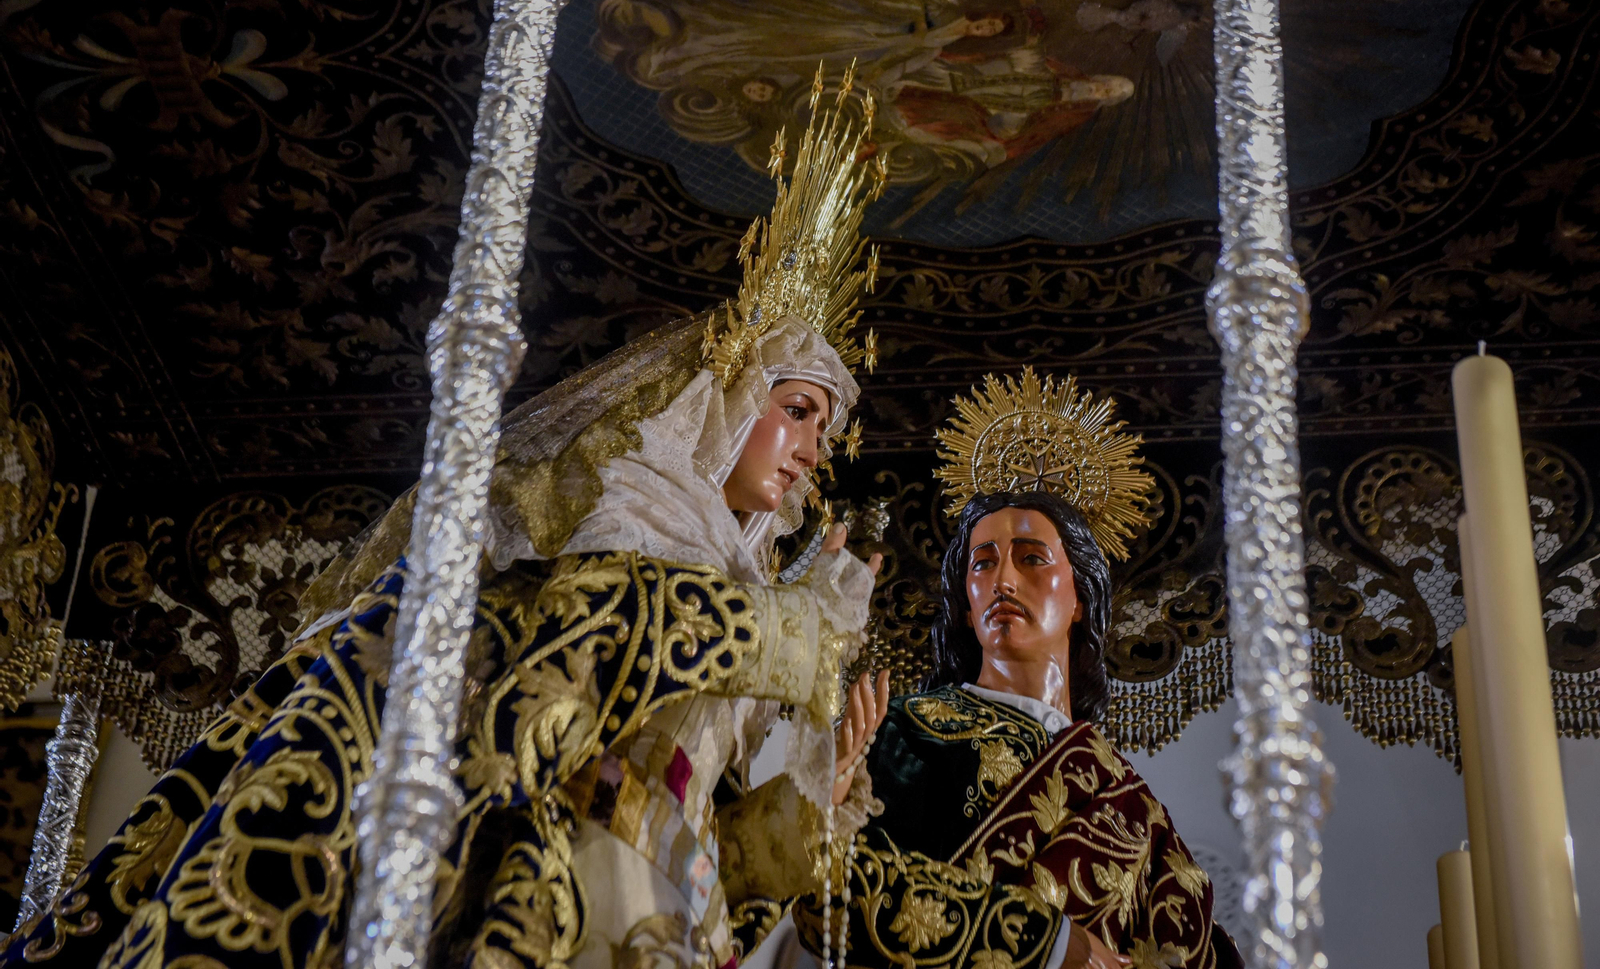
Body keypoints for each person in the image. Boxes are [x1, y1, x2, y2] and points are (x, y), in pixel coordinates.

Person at [2, 74, 890, 969]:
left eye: (829, 428)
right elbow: (579, 649)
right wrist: (790, 630)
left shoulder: (754, 585)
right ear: (733, 396)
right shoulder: (632, 507)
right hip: (551, 884)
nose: (816, 447)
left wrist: (810, 804)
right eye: (801, 409)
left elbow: (690, 827)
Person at [794, 368, 1243, 969]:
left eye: (1032, 558)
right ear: (966, 596)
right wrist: (1057, 948)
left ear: (1079, 595)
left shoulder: (1132, 802)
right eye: (982, 564)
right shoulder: (907, 734)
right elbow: (842, 896)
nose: (1003, 580)